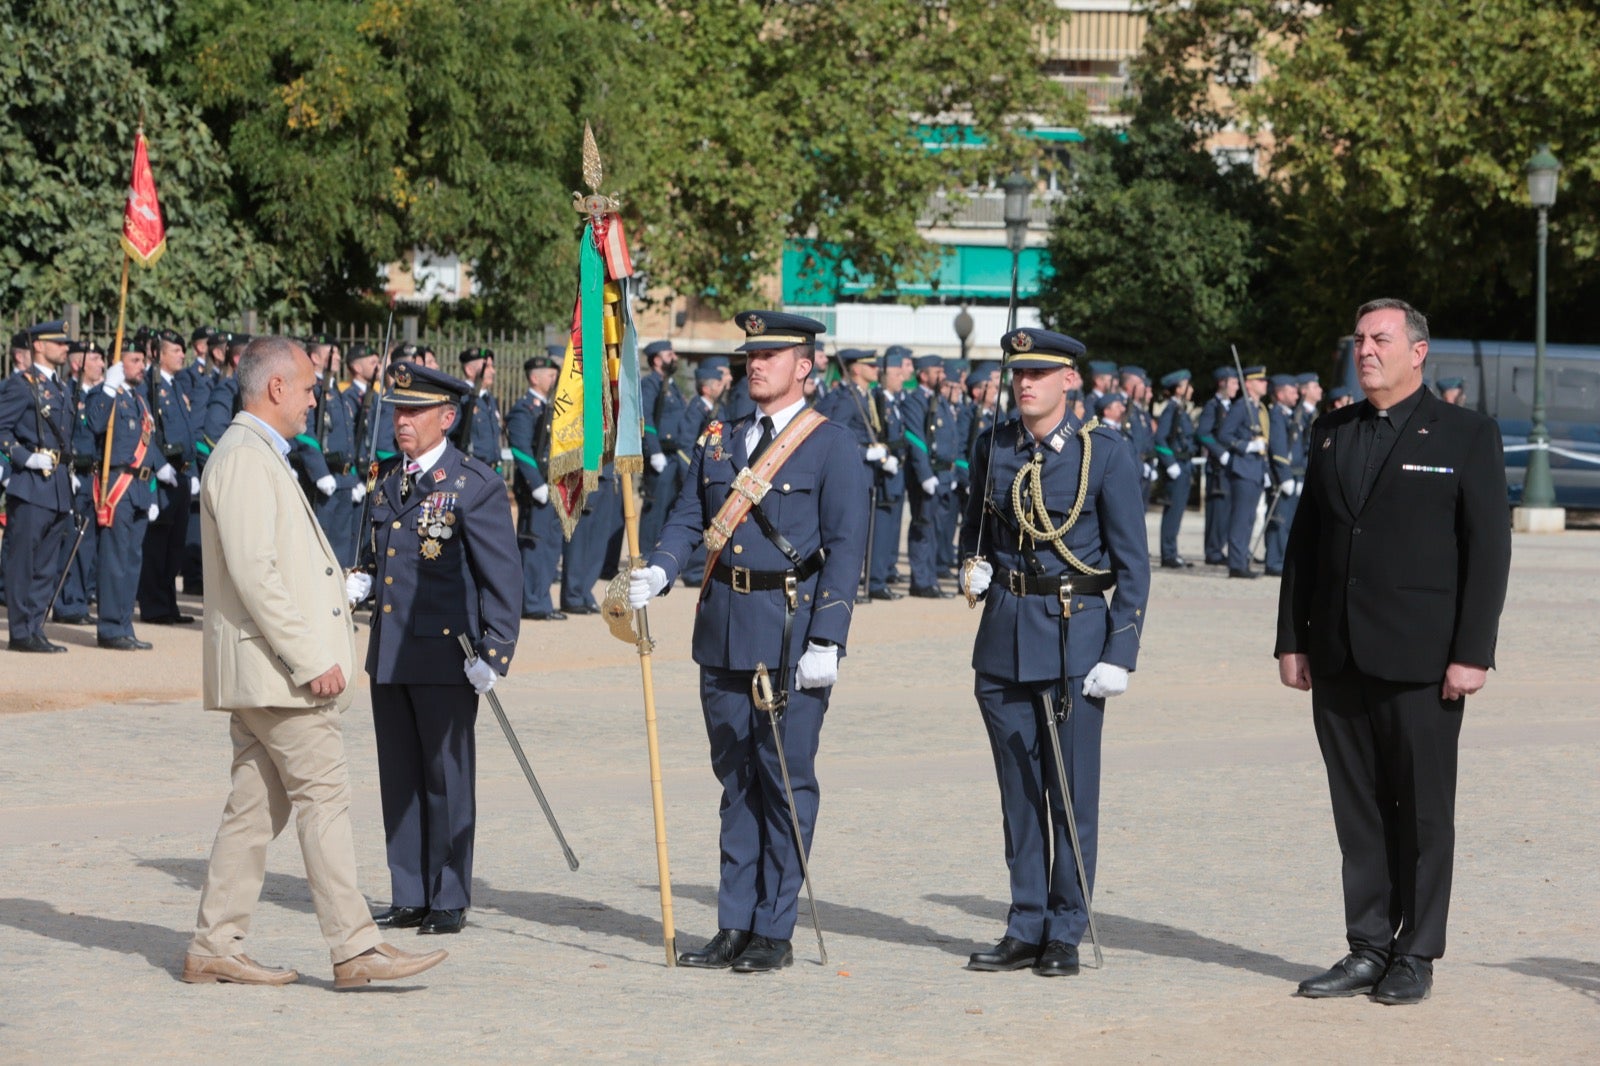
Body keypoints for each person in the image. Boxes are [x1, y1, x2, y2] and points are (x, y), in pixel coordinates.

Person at [186, 335, 447, 989]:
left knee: (254, 810)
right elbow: (255, 572)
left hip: (264, 670)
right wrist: (308, 658)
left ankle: (214, 943)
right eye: (306, 388)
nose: (312, 400)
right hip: (279, 673)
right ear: (276, 388)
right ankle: (355, 946)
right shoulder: (246, 456)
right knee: (324, 795)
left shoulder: (256, 453)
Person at [1276, 299, 1511, 1006]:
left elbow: (1488, 551)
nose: (1366, 349)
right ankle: (1367, 944)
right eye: (1359, 339)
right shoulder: (1331, 430)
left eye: (1380, 338)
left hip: (1423, 660)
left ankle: (1417, 951)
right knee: (1359, 811)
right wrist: (1292, 639)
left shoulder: (1467, 434)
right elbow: (1305, 546)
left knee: (1424, 813)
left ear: (1418, 351)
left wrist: (1473, 652)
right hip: (1340, 655)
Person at [628, 310, 869, 973]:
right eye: (750, 355)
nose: (754, 364)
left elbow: (847, 549)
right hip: (724, 626)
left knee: (783, 780)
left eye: (770, 354)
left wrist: (829, 637)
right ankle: (734, 921)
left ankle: (773, 927)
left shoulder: (831, 445)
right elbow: (688, 514)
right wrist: (663, 567)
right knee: (735, 781)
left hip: (790, 630)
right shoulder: (719, 436)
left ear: (806, 366)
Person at [958, 327, 1149, 976]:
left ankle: (1065, 928)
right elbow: (975, 529)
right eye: (1017, 374)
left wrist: (1120, 652)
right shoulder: (994, 446)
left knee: (1068, 794)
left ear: (1071, 380)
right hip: (1004, 637)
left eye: (1039, 373)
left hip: (1074, 640)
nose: (1024, 384)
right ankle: (1026, 922)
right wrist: (971, 567)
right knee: (1018, 797)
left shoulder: (1105, 453)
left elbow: (1133, 564)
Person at [349, 360, 522, 936]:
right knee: (398, 776)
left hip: (449, 654)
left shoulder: (473, 484)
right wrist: (363, 580)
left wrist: (495, 652)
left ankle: (448, 895)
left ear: (446, 418)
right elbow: (384, 554)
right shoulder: (387, 478)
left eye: (416, 412)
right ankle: (410, 892)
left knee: (445, 777)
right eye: (399, 410)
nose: (403, 421)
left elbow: (502, 575)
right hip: (392, 651)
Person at [0, 320, 77, 652]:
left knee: (47, 564)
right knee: (23, 562)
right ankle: (20, 632)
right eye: (58, 342)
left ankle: (35, 626)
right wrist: (23, 457)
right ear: (39, 347)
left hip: (57, 486)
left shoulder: (61, 386)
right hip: (31, 484)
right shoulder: (21, 385)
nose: (65, 348)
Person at [84, 349, 157, 650]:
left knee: (132, 561)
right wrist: (108, 388)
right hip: (117, 484)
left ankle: (125, 624)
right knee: (114, 560)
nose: (142, 367)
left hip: (139, 487)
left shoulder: (139, 399)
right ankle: (111, 628)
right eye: (135, 361)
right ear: (119, 364)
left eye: (143, 361)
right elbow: (95, 424)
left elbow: (149, 448)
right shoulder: (105, 393)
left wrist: (152, 493)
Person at [138, 328, 200, 624]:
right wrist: (158, 463)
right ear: (159, 353)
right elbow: (145, 431)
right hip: (163, 476)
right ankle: (154, 606)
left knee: (174, 545)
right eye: (175, 350)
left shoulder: (175, 385)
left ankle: (169, 605)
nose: (181, 355)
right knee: (157, 545)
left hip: (182, 476)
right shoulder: (150, 385)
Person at [291, 334, 363, 569]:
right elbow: (303, 431)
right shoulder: (309, 388)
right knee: (321, 543)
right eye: (333, 352)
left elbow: (347, 438)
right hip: (322, 479)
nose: (339, 357)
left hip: (342, 479)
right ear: (315, 357)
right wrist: (319, 471)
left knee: (341, 545)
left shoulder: (334, 389)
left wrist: (352, 477)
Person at [506, 352, 564, 620]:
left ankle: (541, 600)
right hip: (536, 488)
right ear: (534, 377)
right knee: (534, 545)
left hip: (552, 484)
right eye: (550, 375)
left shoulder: (547, 408)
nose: (554, 379)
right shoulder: (523, 408)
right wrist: (536, 483)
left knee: (550, 545)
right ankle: (531, 602)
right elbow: (520, 448)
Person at [55, 339, 106, 625]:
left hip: (96, 477)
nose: (101, 364)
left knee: (90, 544)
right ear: (78, 364)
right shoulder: (67, 394)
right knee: (73, 541)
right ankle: (68, 604)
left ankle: (82, 596)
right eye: (95, 358)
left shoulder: (100, 396)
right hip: (76, 474)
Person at [901, 354, 959, 597]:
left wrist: (951, 470)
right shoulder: (915, 401)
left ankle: (930, 576)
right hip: (928, 475)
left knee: (937, 530)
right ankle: (922, 581)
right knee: (924, 528)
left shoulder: (938, 399)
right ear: (923, 375)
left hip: (943, 475)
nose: (942, 375)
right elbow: (916, 438)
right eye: (937, 371)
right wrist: (925, 474)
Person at [1217, 365, 1270, 579]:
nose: (1265, 384)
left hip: (1255, 469)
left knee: (1248, 518)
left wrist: (1264, 468)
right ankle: (1236, 564)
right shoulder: (1241, 407)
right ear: (1249, 384)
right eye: (1261, 381)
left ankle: (1241, 561)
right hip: (1243, 468)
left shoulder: (1258, 408)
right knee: (1240, 518)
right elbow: (1224, 435)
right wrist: (1246, 446)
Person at [639, 339, 688, 554]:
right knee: (656, 509)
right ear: (657, 360)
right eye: (670, 354)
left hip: (675, 455)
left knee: (672, 509)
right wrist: (654, 451)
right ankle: (647, 555)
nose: (674, 357)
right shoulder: (650, 384)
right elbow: (645, 419)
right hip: (661, 456)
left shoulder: (672, 385)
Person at [1263, 373, 1307, 577]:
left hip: (1294, 475)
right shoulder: (1276, 415)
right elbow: (1279, 449)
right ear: (1279, 394)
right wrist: (1285, 476)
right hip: (1282, 478)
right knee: (1279, 520)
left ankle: (1282, 559)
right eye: (1291, 390)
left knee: (1289, 521)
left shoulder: (1289, 415)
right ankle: (1273, 560)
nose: (1296, 394)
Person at [1153, 369, 1196, 568]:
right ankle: (1168, 554)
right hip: (1177, 466)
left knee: (1178, 512)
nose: (1192, 389)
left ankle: (1172, 552)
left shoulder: (1180, 409)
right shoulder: (1171, 409)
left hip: (1184, 465)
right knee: (1173, 511)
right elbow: (1160, 438)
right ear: (1178, 389)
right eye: (1187, 385)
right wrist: (1170, 463)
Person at [1196, 366, 1238, 566]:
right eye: (1233, 383)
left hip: (1230, 467)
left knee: (1227, 510)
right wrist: (1220, 453)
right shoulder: (1212, 407)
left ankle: (1220, 547)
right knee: (1217, 511)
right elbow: (1203, 433)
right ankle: (1213, 550)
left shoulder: (1231, 407)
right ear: (1222, 383)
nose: (1237, 387)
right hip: (1217, 467)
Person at [452, 347, 502, 469]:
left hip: (493, 471)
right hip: (471, 471)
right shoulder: (461, 399)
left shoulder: (490, 399)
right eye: (487, 367)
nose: (493, 371)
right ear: (469, 370)